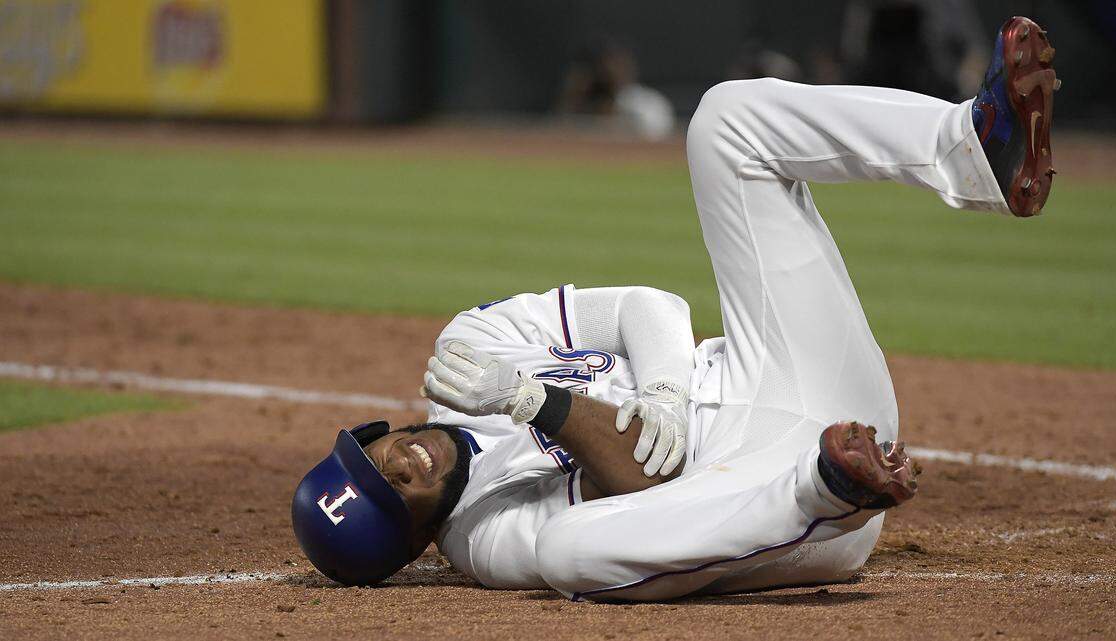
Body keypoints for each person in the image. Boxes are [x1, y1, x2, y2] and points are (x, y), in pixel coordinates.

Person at [291, 16, 1058, 600]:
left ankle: (972, 149)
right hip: (776, 484)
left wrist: (662, 388)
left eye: (373, 458)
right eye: (392, 496)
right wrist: (533, 400)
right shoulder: (486, 538)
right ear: (420, 541)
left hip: (786, 370)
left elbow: (646, 305)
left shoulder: (469, 343)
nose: (397, 466)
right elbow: (644, 486)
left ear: (378, 435)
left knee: (726, 121)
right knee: (568, 557)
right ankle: (830, 488)